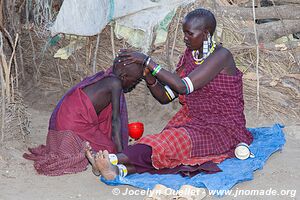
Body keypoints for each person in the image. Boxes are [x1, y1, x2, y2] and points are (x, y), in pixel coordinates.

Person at [86, 8, 254, 180]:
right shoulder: (190, 56)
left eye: (190, 34)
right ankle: (117, 171)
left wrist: (148, 61)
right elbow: (166, 96)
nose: (185, 38)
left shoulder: (221, 56)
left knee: (169, 143)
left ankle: (111, 160)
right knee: (167, 148)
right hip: (195, 120)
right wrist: (149, 77)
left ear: (205, 33)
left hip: (223, 128)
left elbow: (183, 87)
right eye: (184, 33)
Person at [23, 58, 144, 176]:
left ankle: (92, 157)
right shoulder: (115, 83)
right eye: (134, 82)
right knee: (110, 149)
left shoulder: (108, 78)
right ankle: (95, 159)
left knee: (106, 148)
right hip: (74, 122)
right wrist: (121, 153)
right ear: (123, 76)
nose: (133, 86)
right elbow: (116, 121)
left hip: (67, 118)